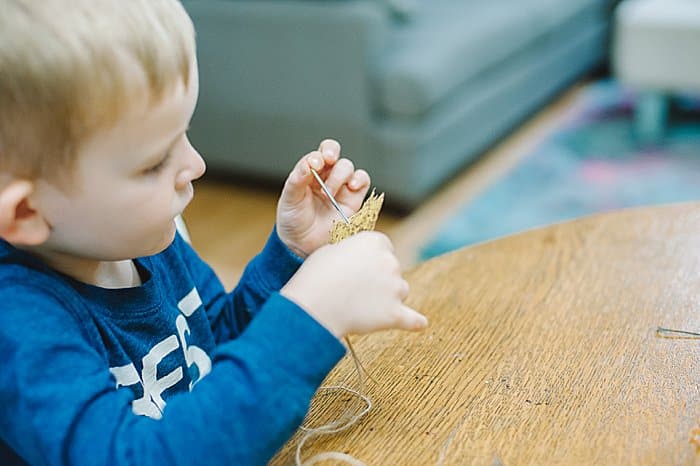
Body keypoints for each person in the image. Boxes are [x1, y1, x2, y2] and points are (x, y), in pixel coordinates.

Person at [0, 0, 428, 464]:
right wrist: (311, 319)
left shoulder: (139, 243)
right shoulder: (18, 325)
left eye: (184, 133)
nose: (195, 165)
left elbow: (212, 348)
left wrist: (292, 254)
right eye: (154, 162)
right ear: (26, 212)